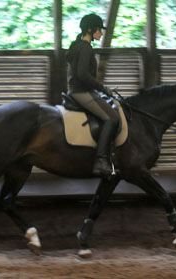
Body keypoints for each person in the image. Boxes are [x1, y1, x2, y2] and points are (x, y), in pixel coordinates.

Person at [66, 13, 120, 178]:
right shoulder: (85, 48)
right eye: (99, 30)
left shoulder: (78, 45)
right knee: (112, 118)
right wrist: (102, 88)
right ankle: (101, 161)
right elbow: (83, 75)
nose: (101, 33)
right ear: (90, 29)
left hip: (81, 90)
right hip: (81, 92)